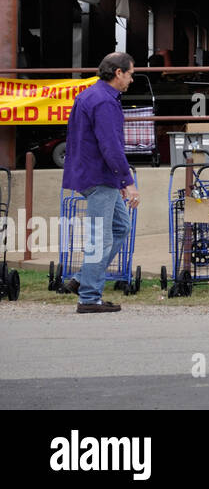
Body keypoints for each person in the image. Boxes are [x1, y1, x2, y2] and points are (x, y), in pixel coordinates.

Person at [61, 52, 141, 313]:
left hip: (90, 173)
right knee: (101, 239)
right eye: (130, 74)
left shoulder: (90, 94)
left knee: (121, 227)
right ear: (118, 73)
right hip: (100, 175)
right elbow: (111, 146)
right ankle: (89, 297)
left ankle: (84, 279)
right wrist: (127, 181)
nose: (131, 79)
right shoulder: (104, 102)